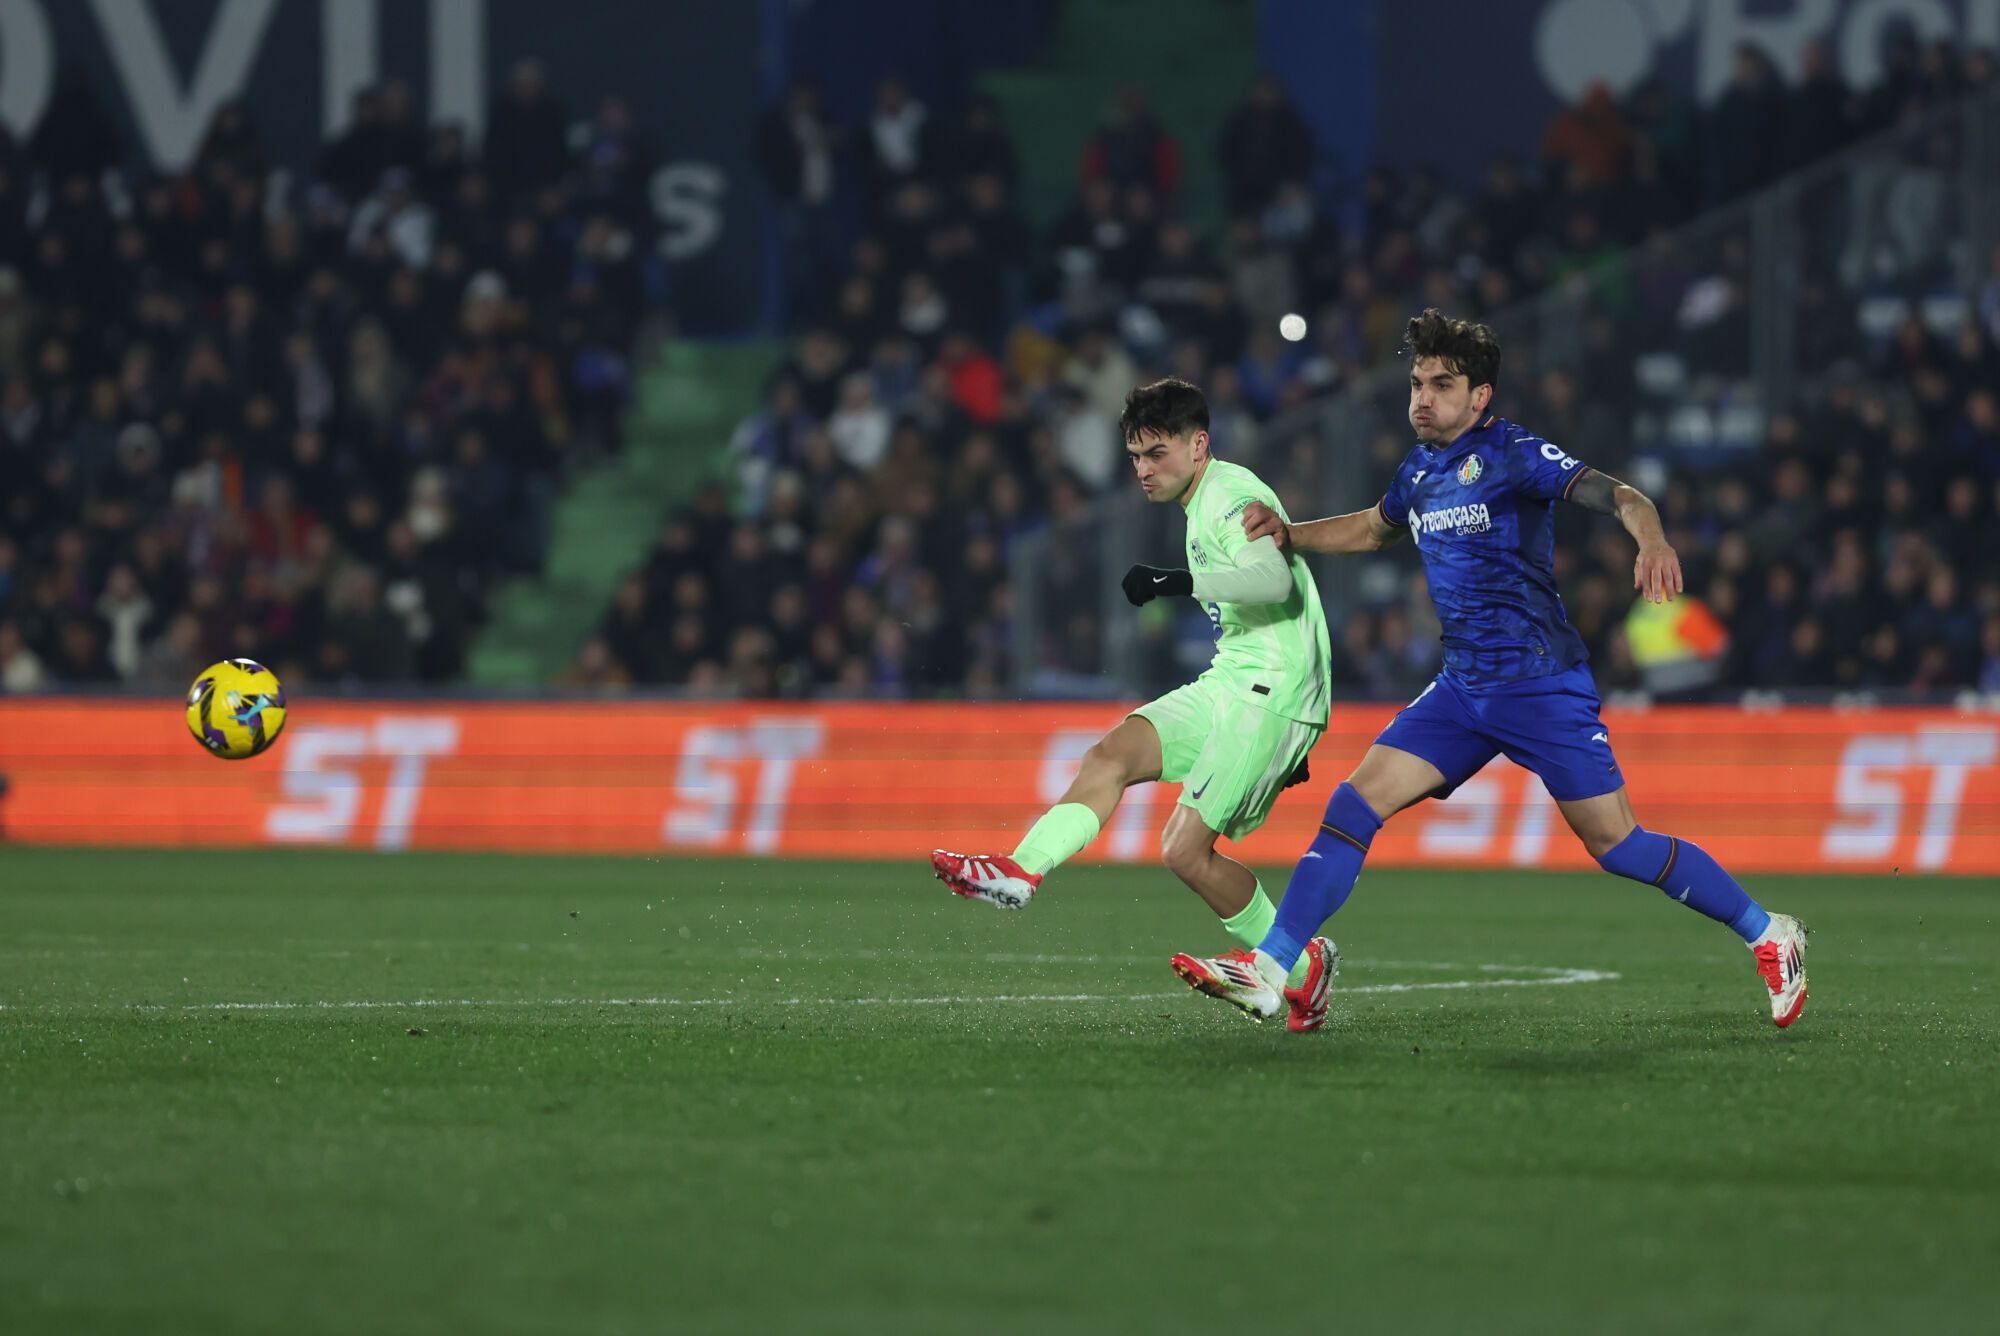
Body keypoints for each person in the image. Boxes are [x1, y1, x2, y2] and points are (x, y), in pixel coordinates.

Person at [1170, 311, 1809, 1030]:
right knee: (1353, 805)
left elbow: (1624, 496)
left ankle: (1769, 932)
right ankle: (1274, 968)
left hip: (1540, 684)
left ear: (1480, 397)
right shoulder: (1418, 469)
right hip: (1462, 689)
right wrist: (1293, 534)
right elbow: (1372, 528)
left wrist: (1652, 539)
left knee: (1618, 845)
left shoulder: (1513, 454)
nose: (1422, 397)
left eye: (1441, 384)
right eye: (1416, 382)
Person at [931, 378, 1340, 1031]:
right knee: (1112, 752)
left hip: (1276, 688)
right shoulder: (1200, 503)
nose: (1144, 470)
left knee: (1184, 851)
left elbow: (1273, 576)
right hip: (1236, 677)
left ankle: (1298, 962)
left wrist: (1176, 581)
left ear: (1198, 445)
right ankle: (1019, 871)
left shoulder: (1232, 494)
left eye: (1157, 453)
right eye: (1135, 457)